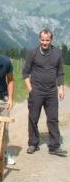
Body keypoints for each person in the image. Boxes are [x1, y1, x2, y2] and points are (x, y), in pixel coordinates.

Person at [22, 29, 67, 157]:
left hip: (52, 92)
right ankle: (33, 143)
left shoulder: (57, 53)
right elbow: (25, 73)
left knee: (53, 119)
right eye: (42, 40)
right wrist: (30, 89)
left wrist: (61, 89)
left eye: (47, 40)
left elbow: (60, 72)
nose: (45, 42)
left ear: (51, 40)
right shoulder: (32, 53)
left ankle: (54, 146)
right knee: (33, 118)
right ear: (39, 39)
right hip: (36, 91)